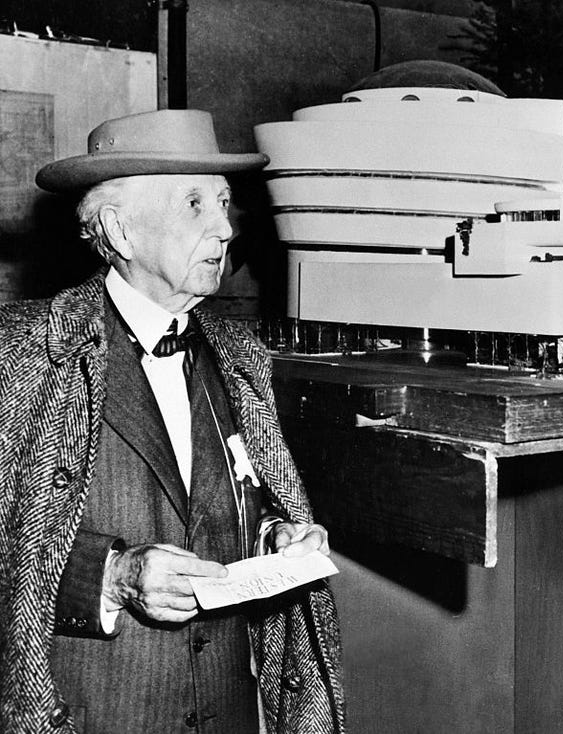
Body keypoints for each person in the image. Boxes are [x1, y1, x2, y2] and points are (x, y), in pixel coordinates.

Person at [0, 109, 345, 734]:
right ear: (119, 230)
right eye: (194, 204)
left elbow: (240, 494)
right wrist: (115, 574)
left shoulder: (240, 356)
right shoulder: (23, 351)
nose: (224, 228)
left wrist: (275, 538)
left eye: (224, 202)